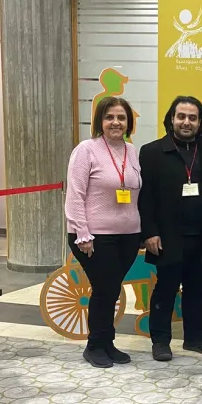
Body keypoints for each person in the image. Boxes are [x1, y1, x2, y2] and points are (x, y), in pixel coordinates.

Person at [139, 95, 202, 362]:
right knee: (166, 290)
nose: (186, 122)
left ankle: (195, 338)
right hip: (167, 237)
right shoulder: (152, 152)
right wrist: (149, 233)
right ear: (171, 119)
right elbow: (145, 198)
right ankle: (160, 341)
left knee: (198, 289)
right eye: (181, 116)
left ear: (200, 122)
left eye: (192, 118)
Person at [65, 96, 142, 368]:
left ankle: (107, 342)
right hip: (94, 236)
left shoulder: (131, 151)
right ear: (100, 121)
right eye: (109, 117)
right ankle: (95, 345)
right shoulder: (86, 150)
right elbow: (75, 195)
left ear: (128, 122)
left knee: (111, 289)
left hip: (128, 235)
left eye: (121, 117)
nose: (115, 122)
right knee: (104, 288)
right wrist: (82, 233)